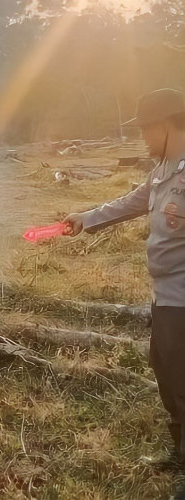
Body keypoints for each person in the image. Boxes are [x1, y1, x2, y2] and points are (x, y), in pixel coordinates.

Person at [64, 88, 185, 466]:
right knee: (166, 373)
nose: (142, 138)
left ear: (167, 125)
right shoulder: (164, 170)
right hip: (164, 296)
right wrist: (87, 218)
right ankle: (180, 452)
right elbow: (132, 202)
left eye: (146, 129)